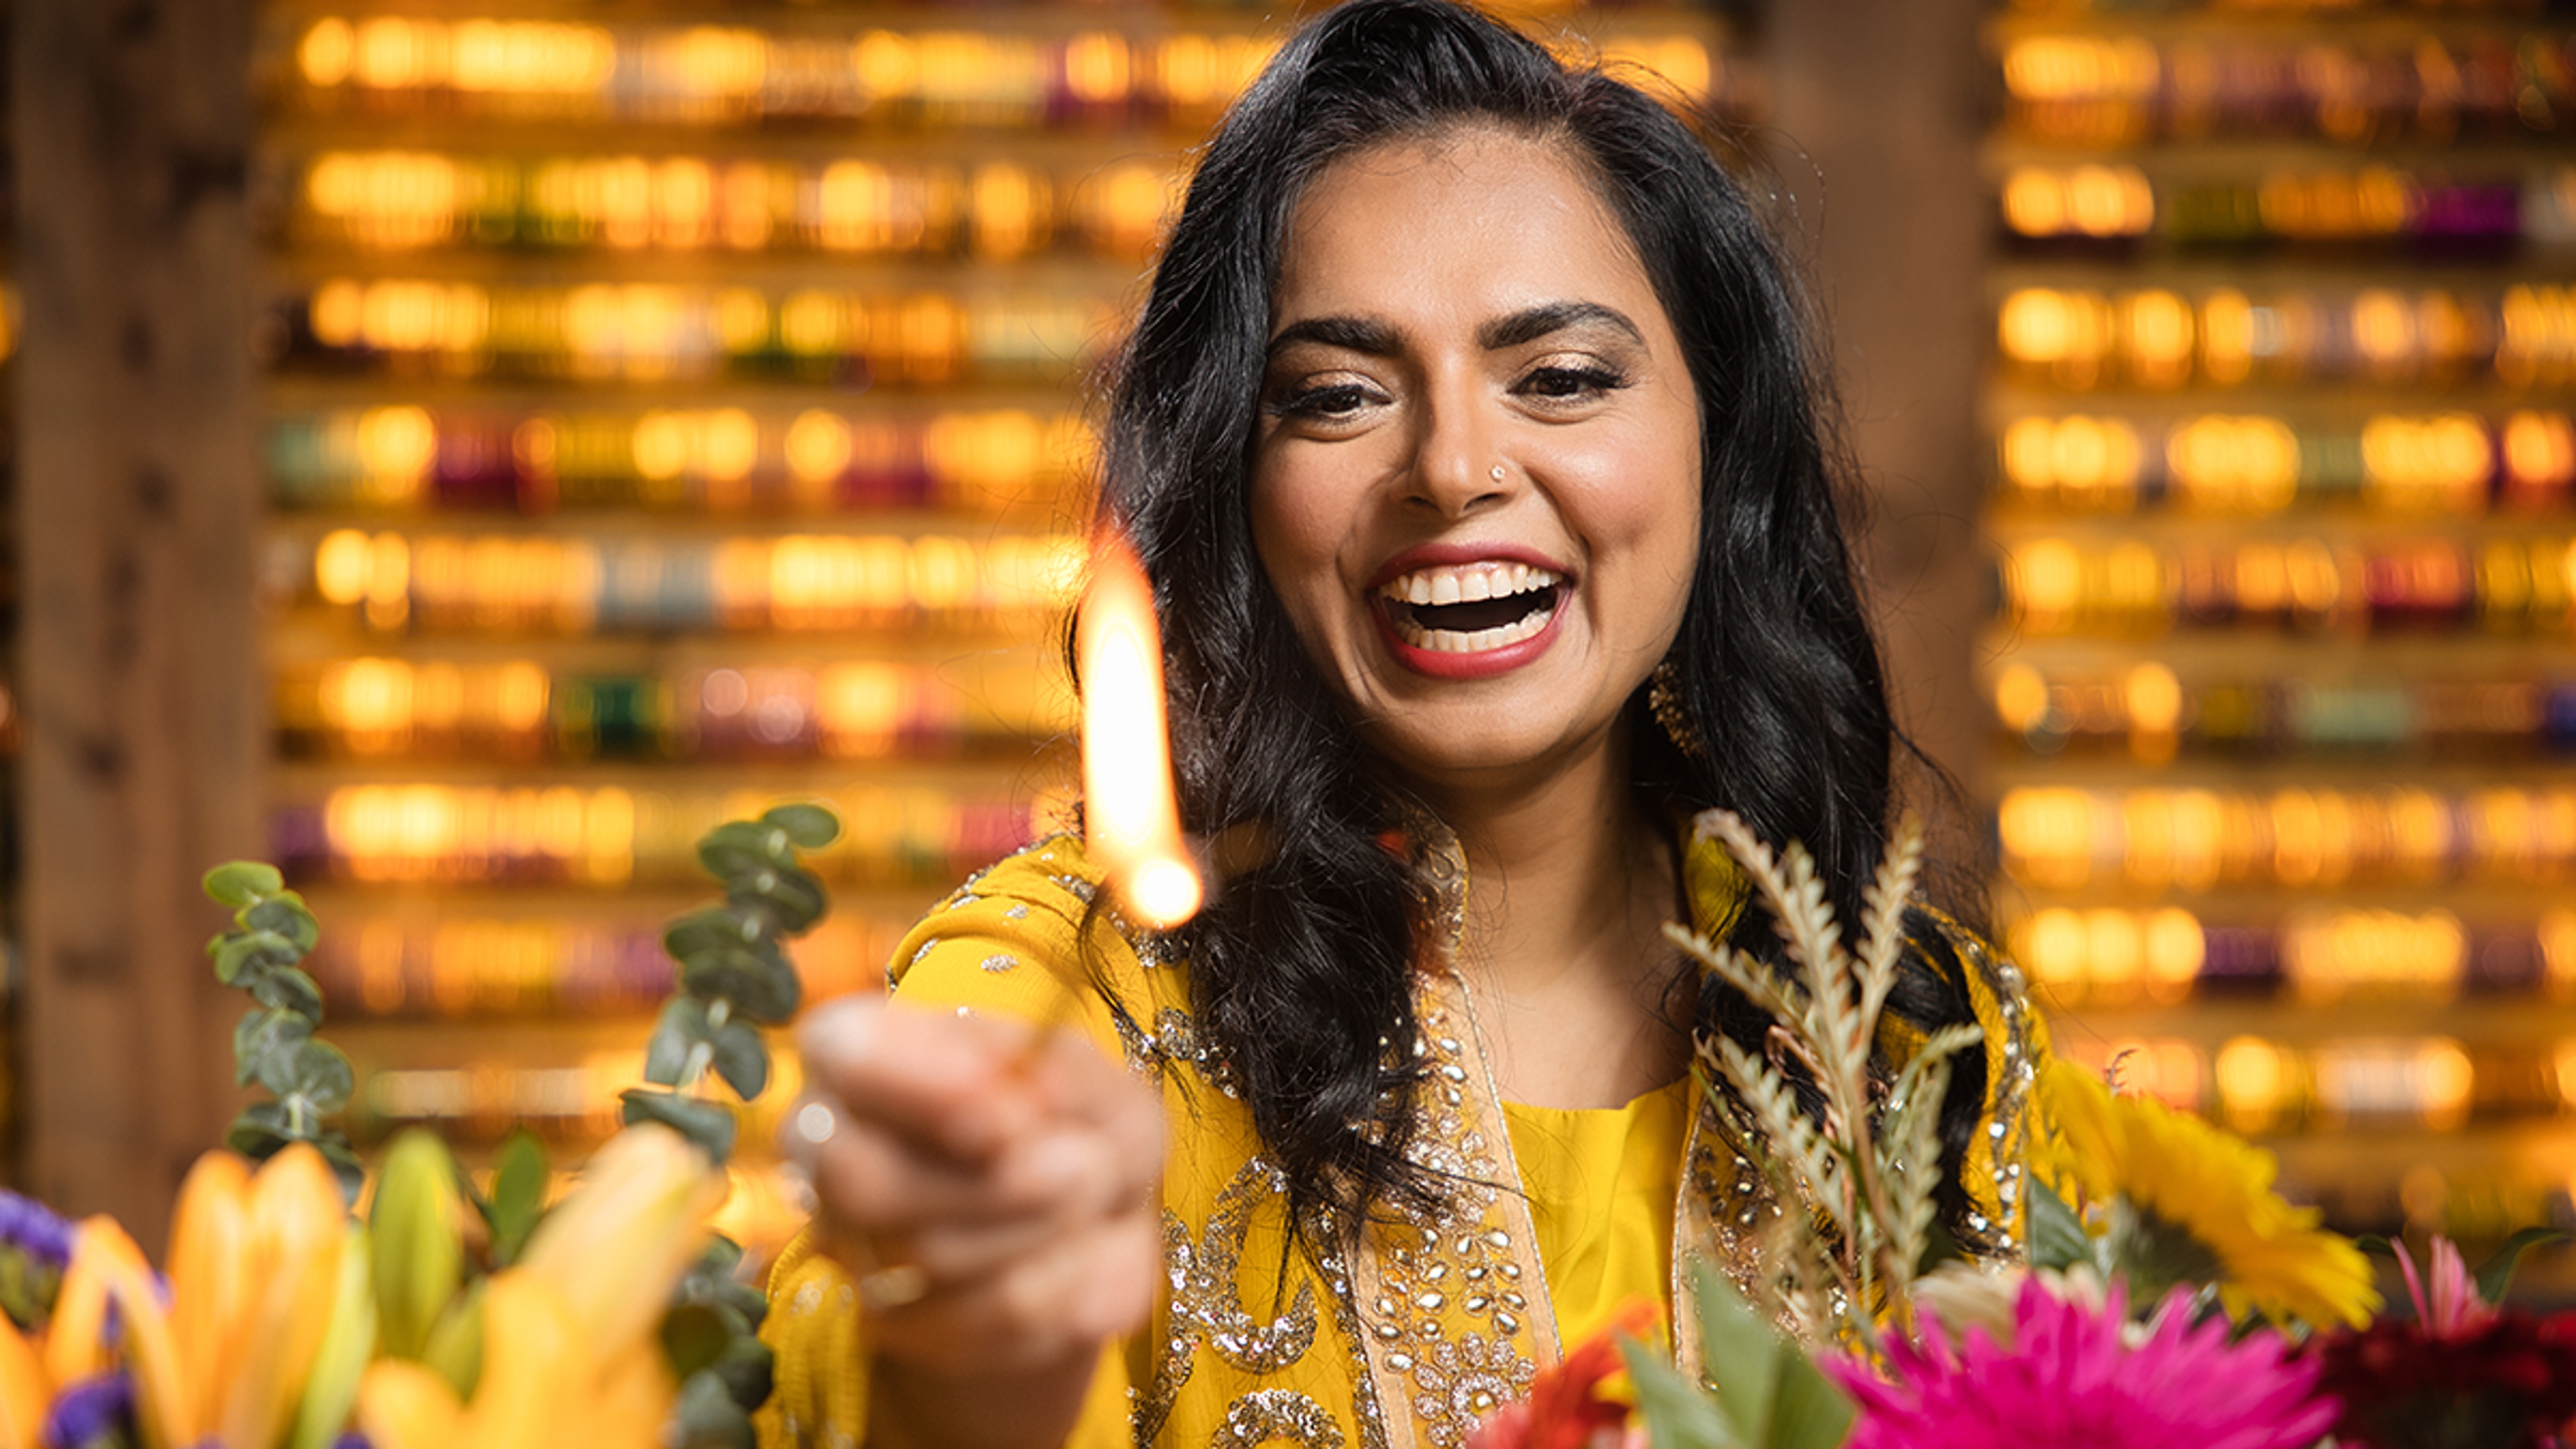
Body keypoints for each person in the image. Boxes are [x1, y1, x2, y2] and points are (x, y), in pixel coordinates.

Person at [759, 3, 2044, 1447]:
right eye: (1338, 396)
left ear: (1716, 434)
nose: (1452, 469)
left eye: (1561, 379)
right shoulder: (1054, 1012)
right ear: (1236, 476)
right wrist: (974, 1354)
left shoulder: (1925, 1035)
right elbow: (860, 1361)